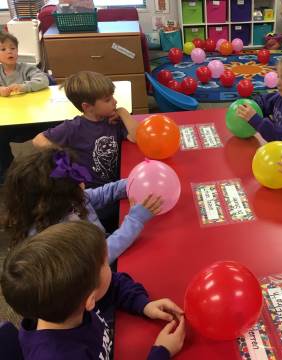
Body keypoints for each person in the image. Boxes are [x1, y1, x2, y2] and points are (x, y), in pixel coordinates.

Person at [1, 221, 186, 359]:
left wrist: (144, 305)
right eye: (106, 264)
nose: (111, 268)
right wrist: (161, 352)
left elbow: (114, 284)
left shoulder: (67, 300)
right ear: (90, 300)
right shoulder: (59, 354)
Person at [1, 149, 161, 264]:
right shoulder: (55, 235)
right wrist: (135, 220)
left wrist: (131, 184)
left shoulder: (69, 200)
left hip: (102, 246)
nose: (83, 183)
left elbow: (102, 194)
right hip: (95, 275)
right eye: (76, 183)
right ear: (56, 197)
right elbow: (100, 256)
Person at [32, 70, 138, 187]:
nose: (115, 101)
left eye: (112, 96)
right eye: (108, 100)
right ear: (87, 107)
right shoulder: (73, 127)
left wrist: (123, 112)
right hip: (91, 192)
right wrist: (66, 159)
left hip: (116, 183)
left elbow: (137, 137)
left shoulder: (113, 120)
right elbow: (38, 140)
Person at [0, 31, 50, 183]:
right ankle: (6, 170)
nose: (9, 51)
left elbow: (43, 80)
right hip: (8, 123)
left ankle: (55, 165)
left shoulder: (26, 68)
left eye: (12, 48)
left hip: (32, 120)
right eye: (3, 49)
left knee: (56, 127)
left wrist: (24, 87)